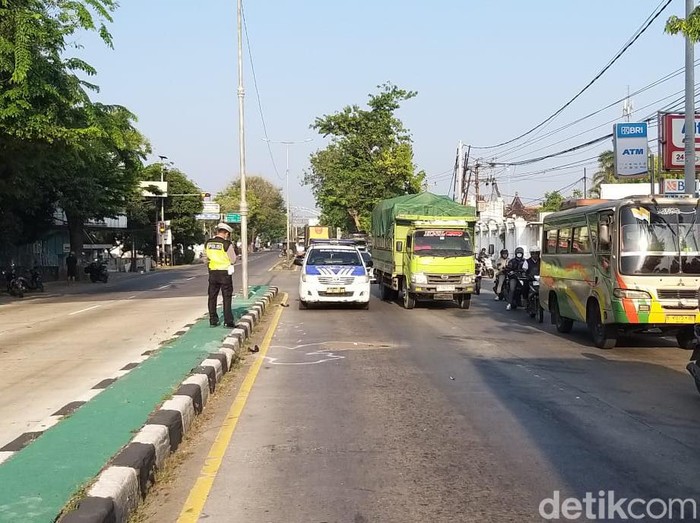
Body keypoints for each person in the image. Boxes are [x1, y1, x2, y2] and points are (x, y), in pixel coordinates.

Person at [204, 223, 237, 327]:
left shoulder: (208, 243)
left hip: (213, 272)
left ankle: (213, 320)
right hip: (224, 273)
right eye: (228, 234)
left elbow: (205, 258)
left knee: (212, 297)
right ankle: (228, 321)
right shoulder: (226, 244)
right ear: (226, 233)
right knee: (227, 297)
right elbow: (233, 259)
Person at [506, 246, 529, 310]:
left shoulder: (525, 261)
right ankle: (509, 303)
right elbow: (509, 268)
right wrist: (510, 271)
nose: (519, 255)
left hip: (523, 278)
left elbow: (527, 269)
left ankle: (527, 304)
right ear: (516, 254)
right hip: (514, 277)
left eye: (520, 253)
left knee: (527, 288)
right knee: (512, 288)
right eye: (518, 253)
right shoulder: (512, 261)